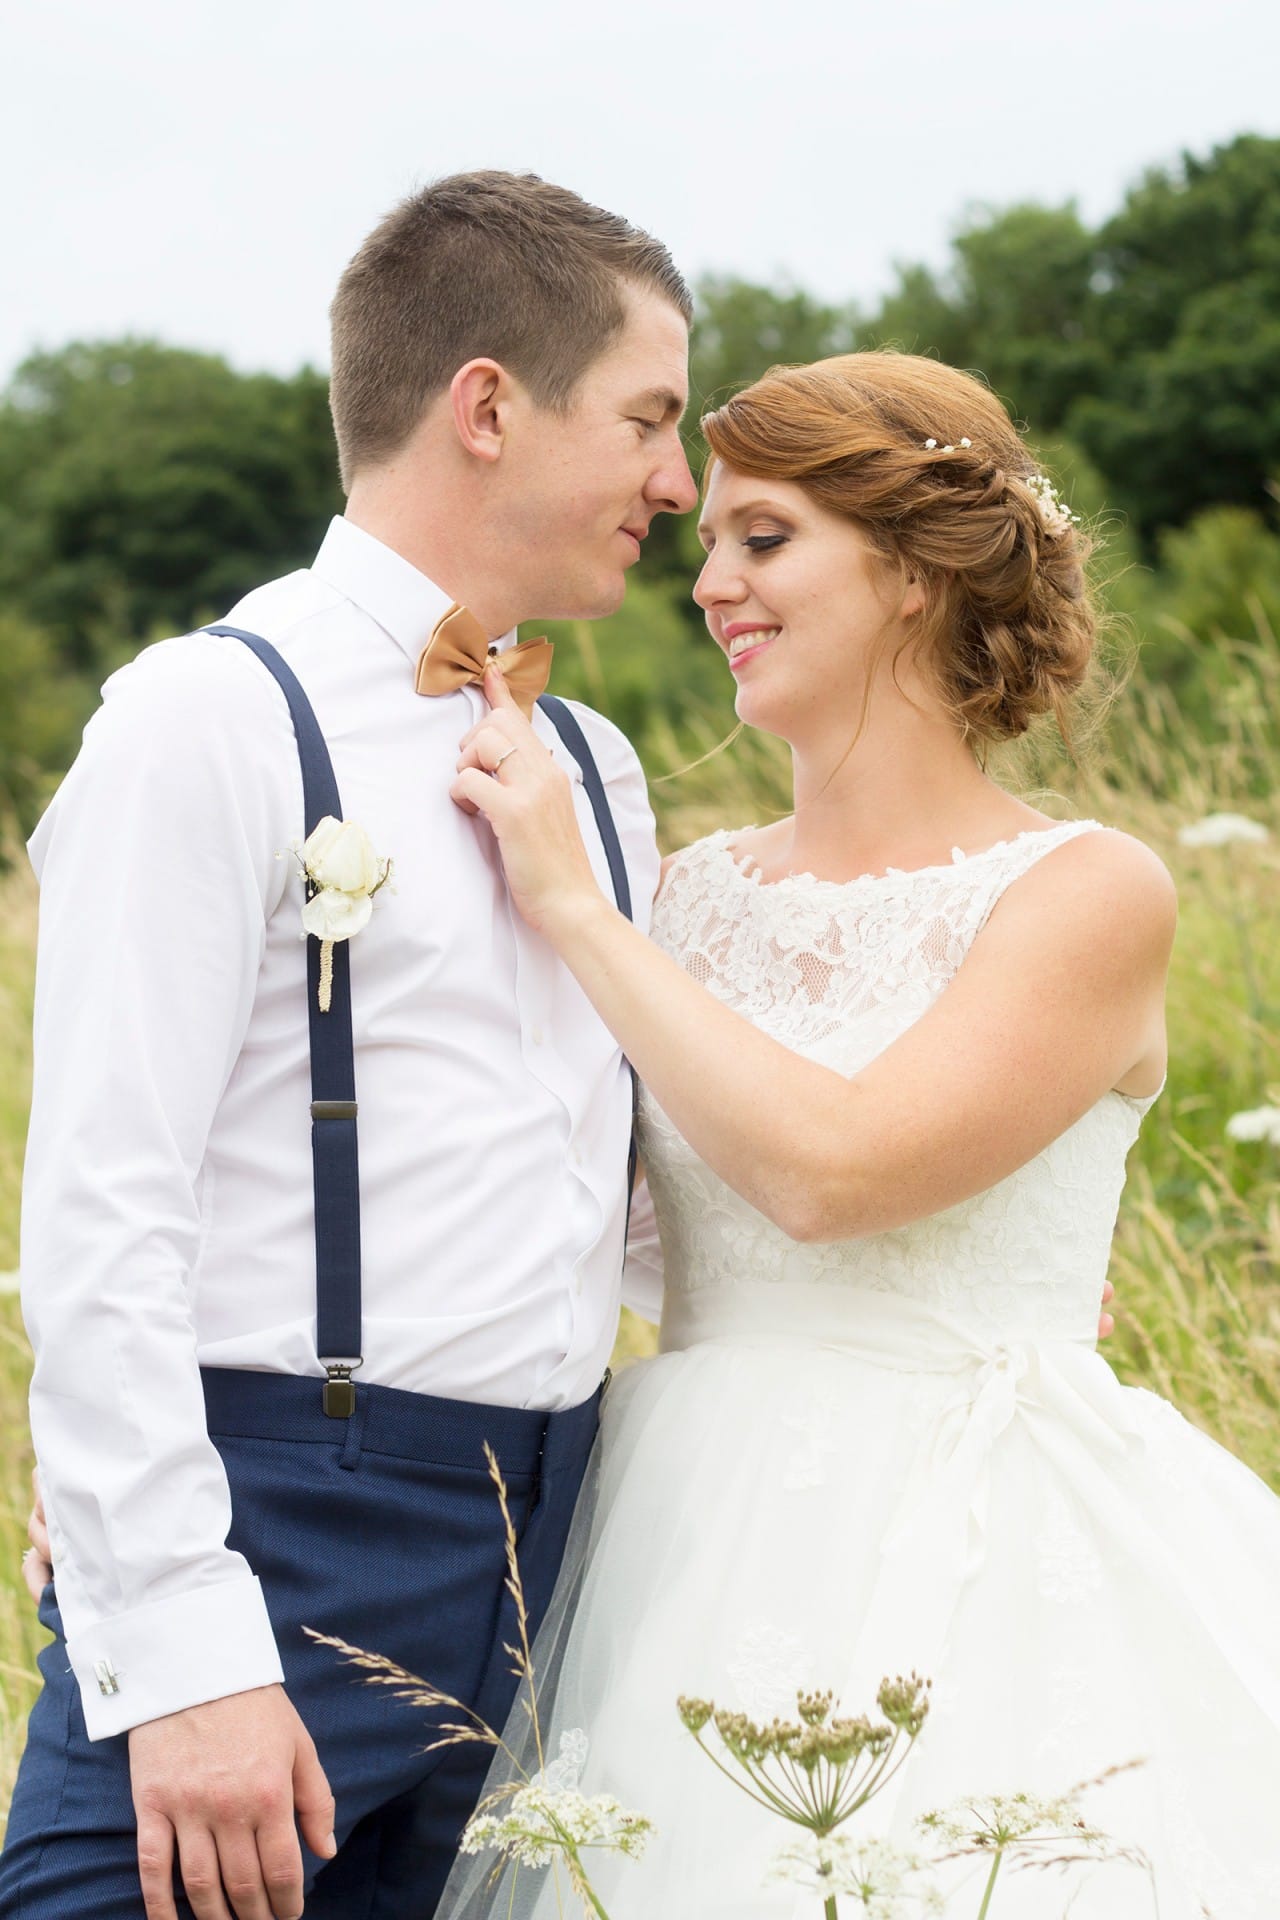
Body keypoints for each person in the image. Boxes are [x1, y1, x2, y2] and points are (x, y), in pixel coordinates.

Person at [436, 352, 1280, 1917]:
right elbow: (573, 1214)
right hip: (674, 1540)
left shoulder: (1087, 896)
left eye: (766, 538)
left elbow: (831, 1176)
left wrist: (565, 899)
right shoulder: (686, 897)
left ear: (912, 569)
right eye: (709, 546)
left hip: (976, 1550)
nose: (713, 585)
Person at [0, 170, 699, 1920]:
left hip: (564, 1557)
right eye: (648, 419)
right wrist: (175, 1642)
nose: (676, 485)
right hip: (282, 1544)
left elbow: (597, 1188)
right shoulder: (208, 718)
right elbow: (102, 1216)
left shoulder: (598, 770)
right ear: (486, 406)